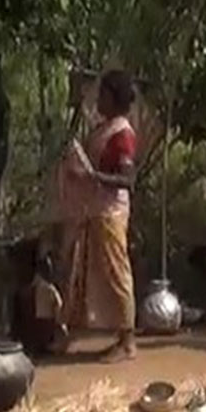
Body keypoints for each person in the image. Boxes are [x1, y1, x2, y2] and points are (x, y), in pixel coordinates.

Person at [56, 68, 138, 361]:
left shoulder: (122, 134)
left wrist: (93, 176)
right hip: (95, 210)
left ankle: (127, 341)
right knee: (83, 273)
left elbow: (128, 180)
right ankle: (72, 332)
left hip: (110, 212)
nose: (98, 99)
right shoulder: (105, 128)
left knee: (116, 273)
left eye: (102, 94)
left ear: (114, 99)